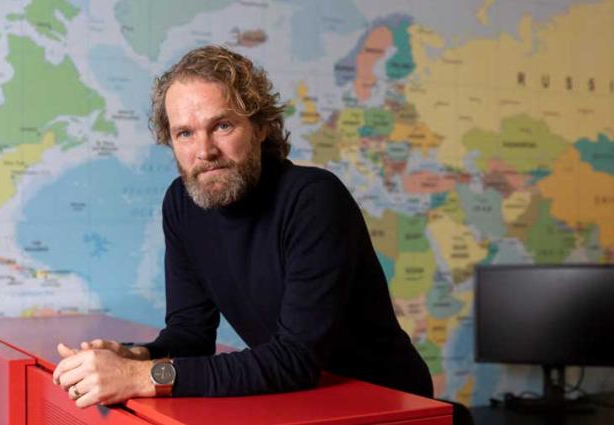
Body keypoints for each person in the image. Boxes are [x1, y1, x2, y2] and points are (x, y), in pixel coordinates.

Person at [52, 45, 433, 409]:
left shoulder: (314, 199)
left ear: (260, 126)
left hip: (388, 401)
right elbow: (191, 334)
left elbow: (294, 359)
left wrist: (139, 378)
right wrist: (135, 355)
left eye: (222, 126)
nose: (204, 151)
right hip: (307, 401)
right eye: (185, 133)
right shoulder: (182, 203)